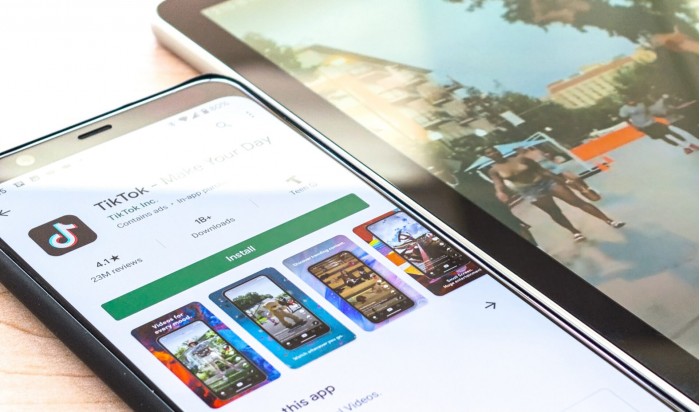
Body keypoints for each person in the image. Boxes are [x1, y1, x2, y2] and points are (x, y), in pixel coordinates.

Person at [483, 146, 624, 242]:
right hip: (530, 191)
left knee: (576, 202)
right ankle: (575, 232)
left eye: (493, 150)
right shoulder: (494, 170)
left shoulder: (520, 159)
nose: (493, 153)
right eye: (489, 153)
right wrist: (500, 192)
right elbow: (498, 183)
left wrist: (564, 181)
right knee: (554, 212)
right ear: (487, 156)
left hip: (546, 182)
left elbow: (543, 171)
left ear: (498, 151)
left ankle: (609, 220)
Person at [619, 97, 698, 153]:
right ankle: (685, 147)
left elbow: (650, 110)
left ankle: (689, 144)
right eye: (629, 101)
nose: (632, 102)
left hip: (652, 122)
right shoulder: (624, 109)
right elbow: (625, 119)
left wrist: (658, 114)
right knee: (663, 137)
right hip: (642, 126)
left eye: (633, 100)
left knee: (669, 132)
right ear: (626, 102)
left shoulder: (641, 103)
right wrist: (634, 126)